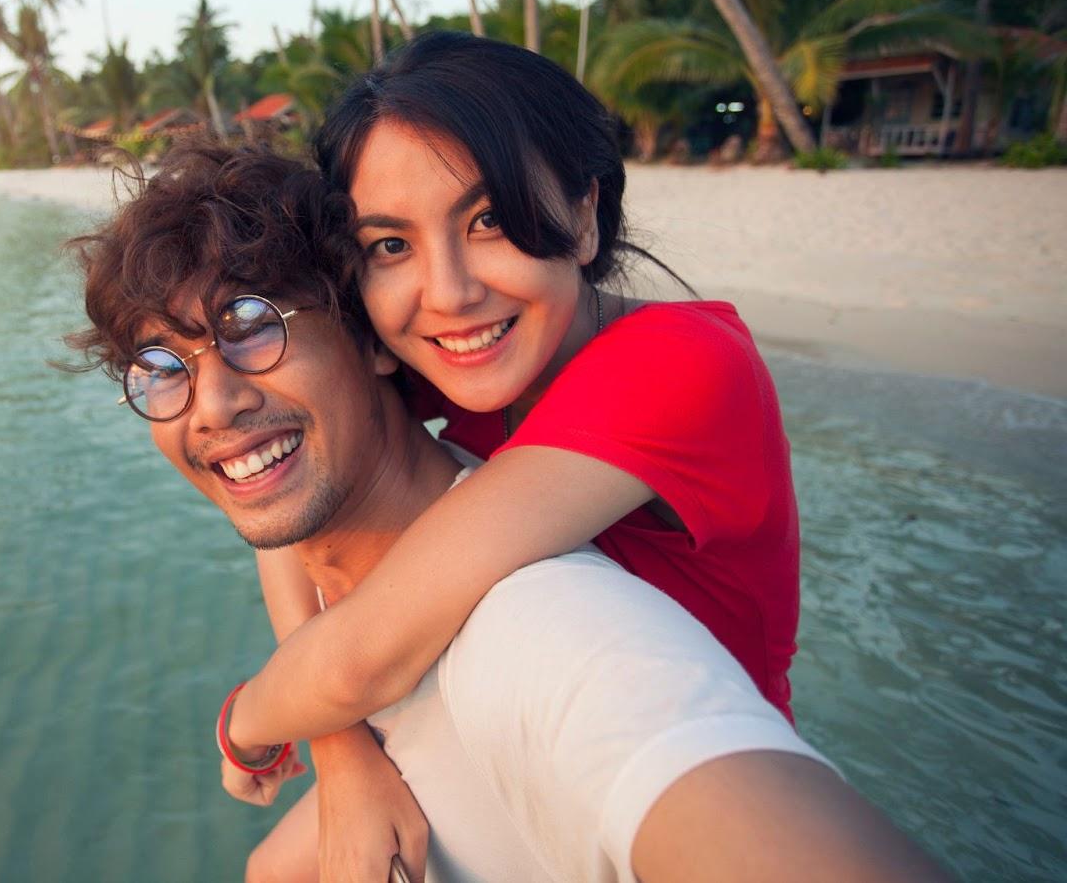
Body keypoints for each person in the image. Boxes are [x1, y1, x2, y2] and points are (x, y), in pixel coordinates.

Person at [65, 143, 949, 883]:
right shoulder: (423, 435)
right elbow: (296, 551)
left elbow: (650, 725)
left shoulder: (549, 629)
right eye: (158, 368)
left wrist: (247, 729)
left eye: (251, 325)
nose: (210, 406)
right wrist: (336, 747)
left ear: (372, 342)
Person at [221, 32, 810, 874]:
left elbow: (366, 651)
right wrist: (342, 754)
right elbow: (293, 501)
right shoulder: (466, 360)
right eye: (392, 245)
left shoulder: (681, 366)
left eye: (489, 220)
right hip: (493, 711)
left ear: (582, 216)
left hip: (667, 779)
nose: (451, 292)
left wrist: (243, 728)